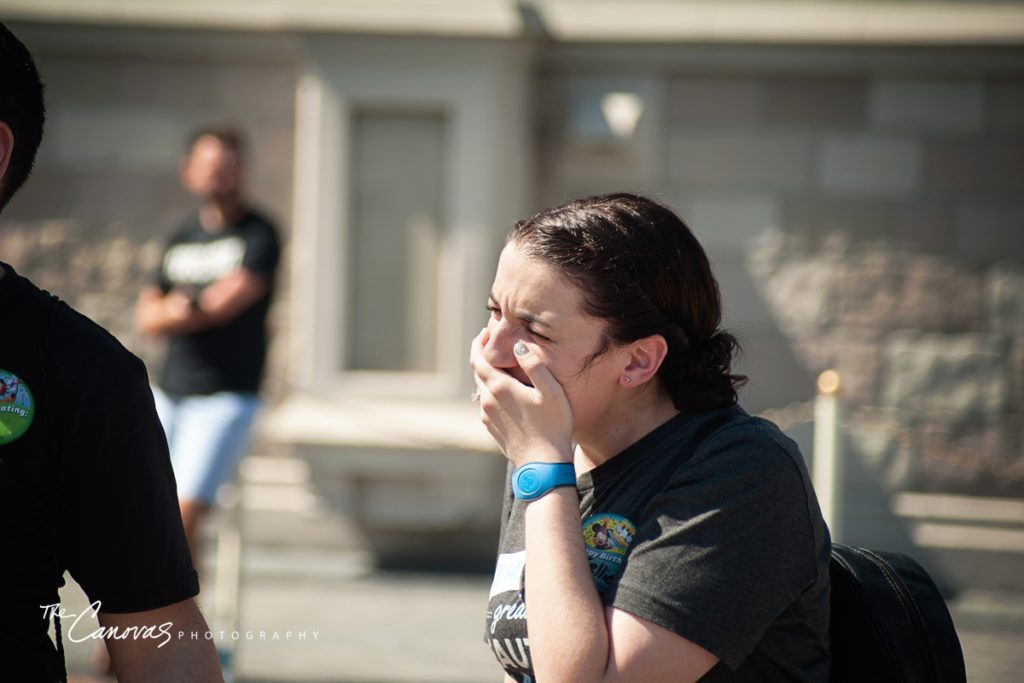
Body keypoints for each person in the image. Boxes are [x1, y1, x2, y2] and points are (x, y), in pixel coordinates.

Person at [471, 193, 831, 682]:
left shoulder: (744, 471)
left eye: (533, 330)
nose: (492, 350)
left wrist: (542, 469)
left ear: (638, 361)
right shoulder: (550, 444)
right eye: (495, 311)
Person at [0, 22, 222, 682]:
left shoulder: (81, 374)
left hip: (219, 395)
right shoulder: (182, 237)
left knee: (194, 506)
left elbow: (165, 650)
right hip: (179, 381)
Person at [135, 127, 280, 560]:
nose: (219, 175)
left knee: (183, 517)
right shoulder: (179, 235)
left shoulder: (259, 233)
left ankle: (179, 621)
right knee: (143, 509)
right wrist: (180, 309)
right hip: (169, 392)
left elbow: (227, 302)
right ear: (189, 171)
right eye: (210, 166)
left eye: (227, 166)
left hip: (226, 396)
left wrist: (180, 307)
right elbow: (147, 316)